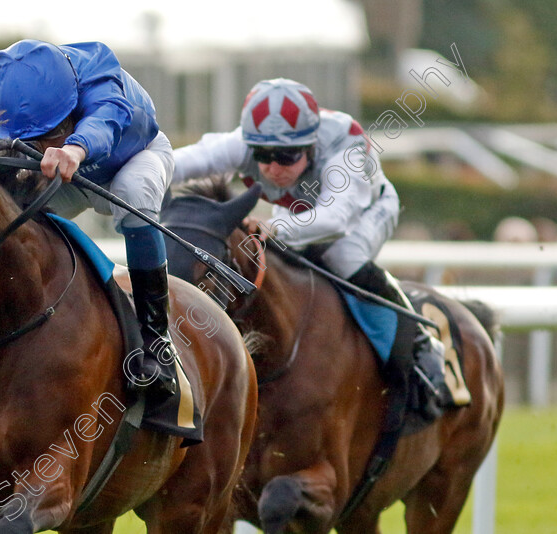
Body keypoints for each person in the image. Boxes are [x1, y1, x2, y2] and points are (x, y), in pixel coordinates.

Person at [173, 77, 457, 413]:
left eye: (287, 155)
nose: (274, 167)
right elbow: (178, 164)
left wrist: (276, 225)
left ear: (310, 145)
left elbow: (336, 219)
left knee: (342, 257)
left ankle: (423, 346)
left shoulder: (343, 145)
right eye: (264, 155)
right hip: (298, 210)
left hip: (365, 211)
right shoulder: (241, 143)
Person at [0, 39, 177, 399]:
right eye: (27, 140)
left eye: (47, 134)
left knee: (133, 192)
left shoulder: (98, 72)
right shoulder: (4, 92)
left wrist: (74, 147)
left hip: (131, 160)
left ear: (71, 106)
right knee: (7, 211)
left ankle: (156, 339)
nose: (35, 147)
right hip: (66, 178)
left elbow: (106, 118)